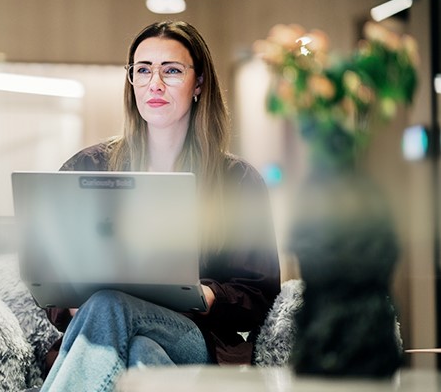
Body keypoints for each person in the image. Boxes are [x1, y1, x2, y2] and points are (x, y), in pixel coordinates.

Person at [39, 21, 281, 391]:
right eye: (143, 70)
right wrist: (80, 308)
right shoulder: (87, 169)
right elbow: (51, 273)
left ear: (198, 83)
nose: (155, 84)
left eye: (171, 70)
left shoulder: (237, 181)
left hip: (193, 336)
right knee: (139, 352)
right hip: (114, 336)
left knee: (110, 304)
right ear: (131, 80)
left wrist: (207, 294)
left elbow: (260, 293)